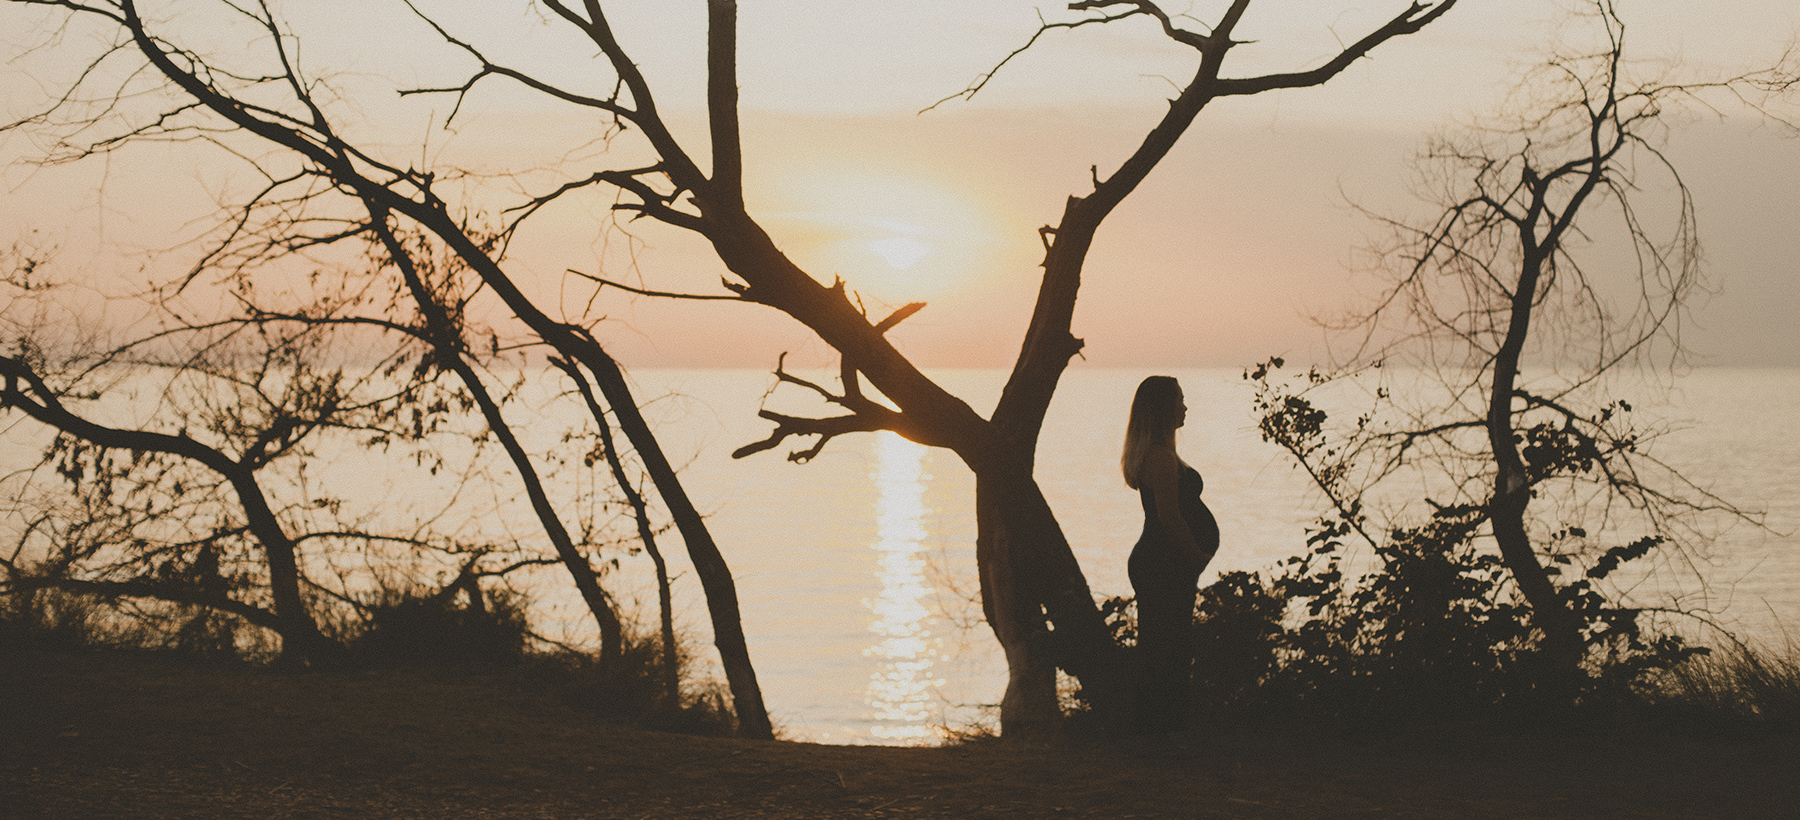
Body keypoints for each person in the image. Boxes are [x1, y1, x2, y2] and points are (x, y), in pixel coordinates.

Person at [1120, 375, 1219, 733]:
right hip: (1163, 564)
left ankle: (1160, 730)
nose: (1185, 406)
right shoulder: (1160, 459)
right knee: (1166, 650)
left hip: (1166, 563)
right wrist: (1196, 554)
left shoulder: (1161, 454)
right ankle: (1159, 731)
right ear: (1163, 408)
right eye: (1179, 399)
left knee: (1167, 646)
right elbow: (1170, 517)